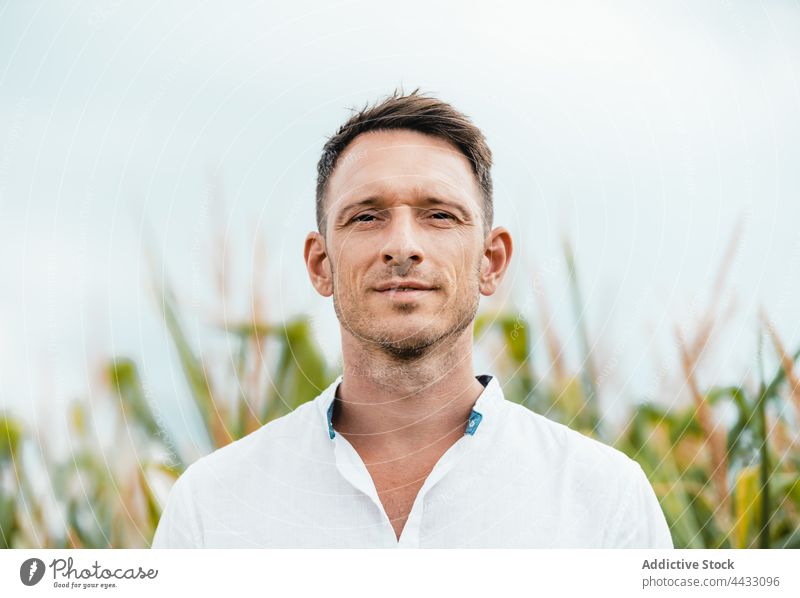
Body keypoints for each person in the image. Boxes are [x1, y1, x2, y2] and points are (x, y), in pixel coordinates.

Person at [152, 90, 673, 548]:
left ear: (491, 262)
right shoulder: (210, 509)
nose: (402, 246)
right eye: (366, 216)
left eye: (440, 215)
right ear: (320, 264)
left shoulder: (607, 502)